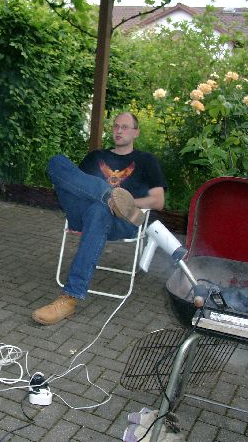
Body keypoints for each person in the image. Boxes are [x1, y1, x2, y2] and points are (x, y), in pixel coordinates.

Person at [32, 112, 167, 325]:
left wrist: (128, 204)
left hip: (120, 222)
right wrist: (109, 197)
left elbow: (158, 201)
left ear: (136, 132)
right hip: (81, 213)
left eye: (124, 127)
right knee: (57, 161)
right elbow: (75, 184)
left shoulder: (146, 160)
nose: (119, 130)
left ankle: (70, 297)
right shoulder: (96, 156)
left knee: (99, 211)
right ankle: (109, 197)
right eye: (116, 126)